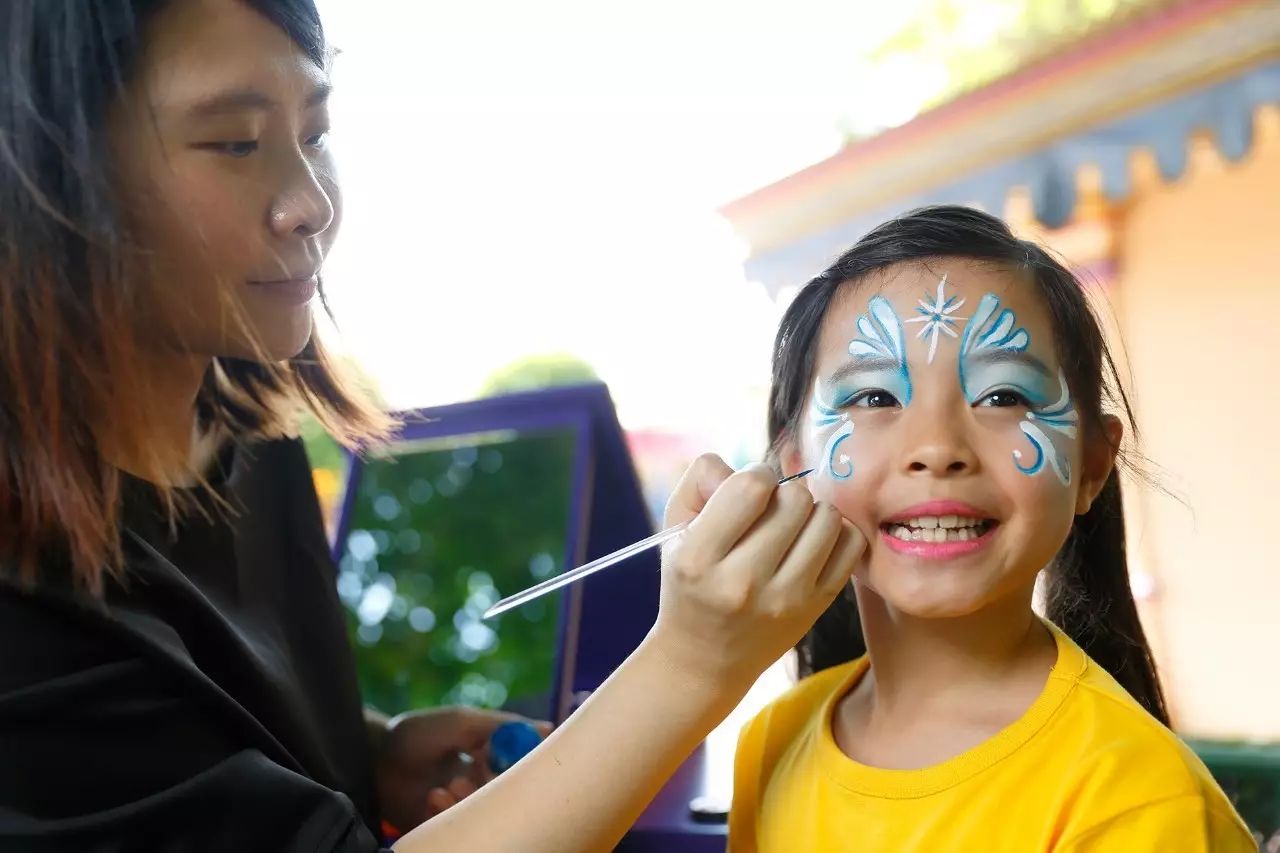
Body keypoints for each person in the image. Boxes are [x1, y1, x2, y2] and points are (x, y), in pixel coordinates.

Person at [0, 1, 866, 850]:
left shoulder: (245, 438)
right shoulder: (22, 600)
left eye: (315, 131)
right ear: (50, 169)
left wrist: (366, 749)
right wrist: (694, 661)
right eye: (235, 141)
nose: (309, 203)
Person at [727, 205, 1255, 851]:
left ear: (1092, 463)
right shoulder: (773, 738)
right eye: (874, 398)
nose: (936, 446)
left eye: (1003, 396)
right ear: (794, 466)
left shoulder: (1134, 796)